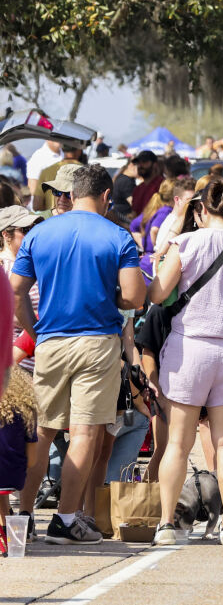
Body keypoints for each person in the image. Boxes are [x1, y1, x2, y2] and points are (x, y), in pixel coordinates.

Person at [10, 164, 147, 543]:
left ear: (72, 192)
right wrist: (111, 294)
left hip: (51, 341)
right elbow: (135, 297)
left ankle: (22, 516)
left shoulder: (39, 234)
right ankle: (65, 519)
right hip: (98, 341)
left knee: (40, 430)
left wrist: (35, 328)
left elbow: (15, 290)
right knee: (85, 432)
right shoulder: (118, 236)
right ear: (106, 196)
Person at [147, 177, 223, 545]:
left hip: (190, 349)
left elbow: (157, 294)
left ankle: (167, 524)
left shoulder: (185, 243)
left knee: (178, 443)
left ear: (201, 210)